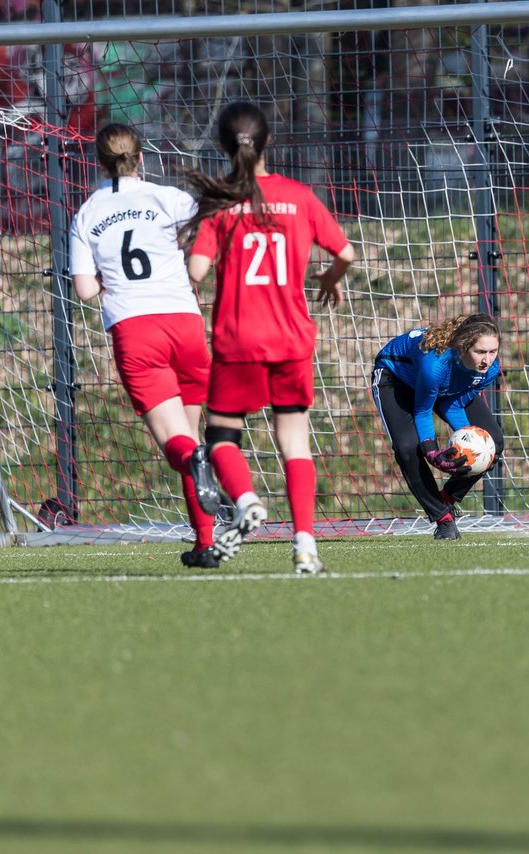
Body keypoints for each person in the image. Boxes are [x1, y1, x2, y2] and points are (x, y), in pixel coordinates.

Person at [183, 101, 355, 575]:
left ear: (223, 145)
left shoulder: (221, 204)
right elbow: (347, 252)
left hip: (238, 340)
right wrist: (328, 276)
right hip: (292, 339)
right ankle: (305, 547)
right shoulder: (299, 196)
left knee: (220, 437)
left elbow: (196, 271)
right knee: (294, 442)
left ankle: (244, 501)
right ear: (268, 142)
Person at [68, 122, 221, 568]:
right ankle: (205, 544)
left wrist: (102, 276)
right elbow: (209, 222)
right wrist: (192, 263)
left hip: (138, 333)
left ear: (99, 162)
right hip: (186, 326)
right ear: (141, 158)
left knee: (181, 448)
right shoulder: (169, 198)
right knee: (190, 436)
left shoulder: (89, 213)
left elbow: (83, 290)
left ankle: (197, 466)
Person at [371, 314, 504, 540]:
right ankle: (442, 519)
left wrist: (472, 442)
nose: (487, 359)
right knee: (407, 448)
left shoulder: (489, 370)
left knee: (493, 444)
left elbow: (454, 402)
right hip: (396, 379)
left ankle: (446, 500)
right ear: (463, 347)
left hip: (444, 387)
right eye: (480, 352)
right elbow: (423, 411)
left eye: (493, 352)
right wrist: (432, 452)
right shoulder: (436, 365)